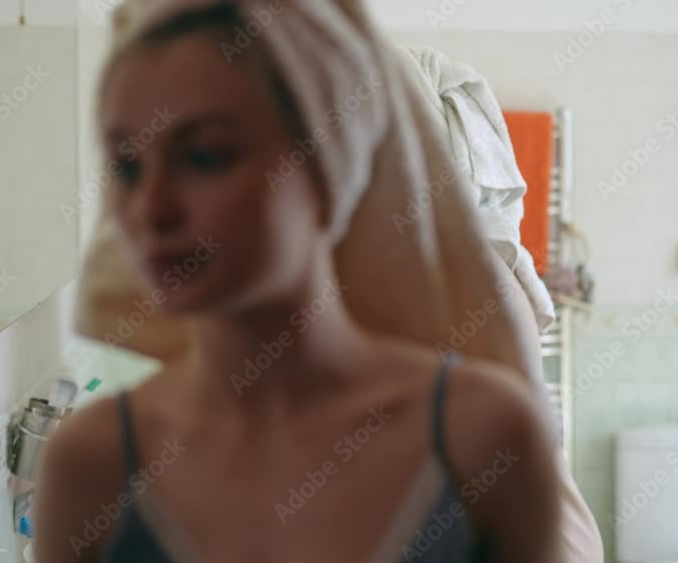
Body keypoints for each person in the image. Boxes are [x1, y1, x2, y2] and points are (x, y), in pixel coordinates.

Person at [34, 1, 561, 562]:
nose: (150, 209)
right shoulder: (92, 464)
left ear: (325, 165)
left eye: (206, 156)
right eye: (127, 166)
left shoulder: (484, 441)